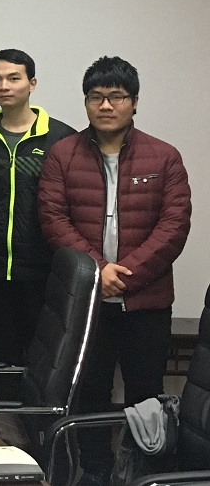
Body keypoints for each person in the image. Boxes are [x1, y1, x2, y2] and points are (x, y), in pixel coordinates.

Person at [38, 56, 191, 422]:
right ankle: (92, 460)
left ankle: (142, 460)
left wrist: (123, 276)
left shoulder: (164, 156)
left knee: (146, 397)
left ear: (134, 102)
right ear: (86, 102)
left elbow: (174, 226)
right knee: (88, 392)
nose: (105, 105)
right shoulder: (63, 154)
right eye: (96, 97)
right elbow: (54, 219)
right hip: (86, 302)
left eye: (116, 96)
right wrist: (99, 272)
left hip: (147, 302)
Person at [0, 49, 75, 364]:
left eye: (14, 78)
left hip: (45, 270)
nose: (4, 86)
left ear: (32, 83)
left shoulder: (61, 139)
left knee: (45, 359)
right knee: (2, 357)